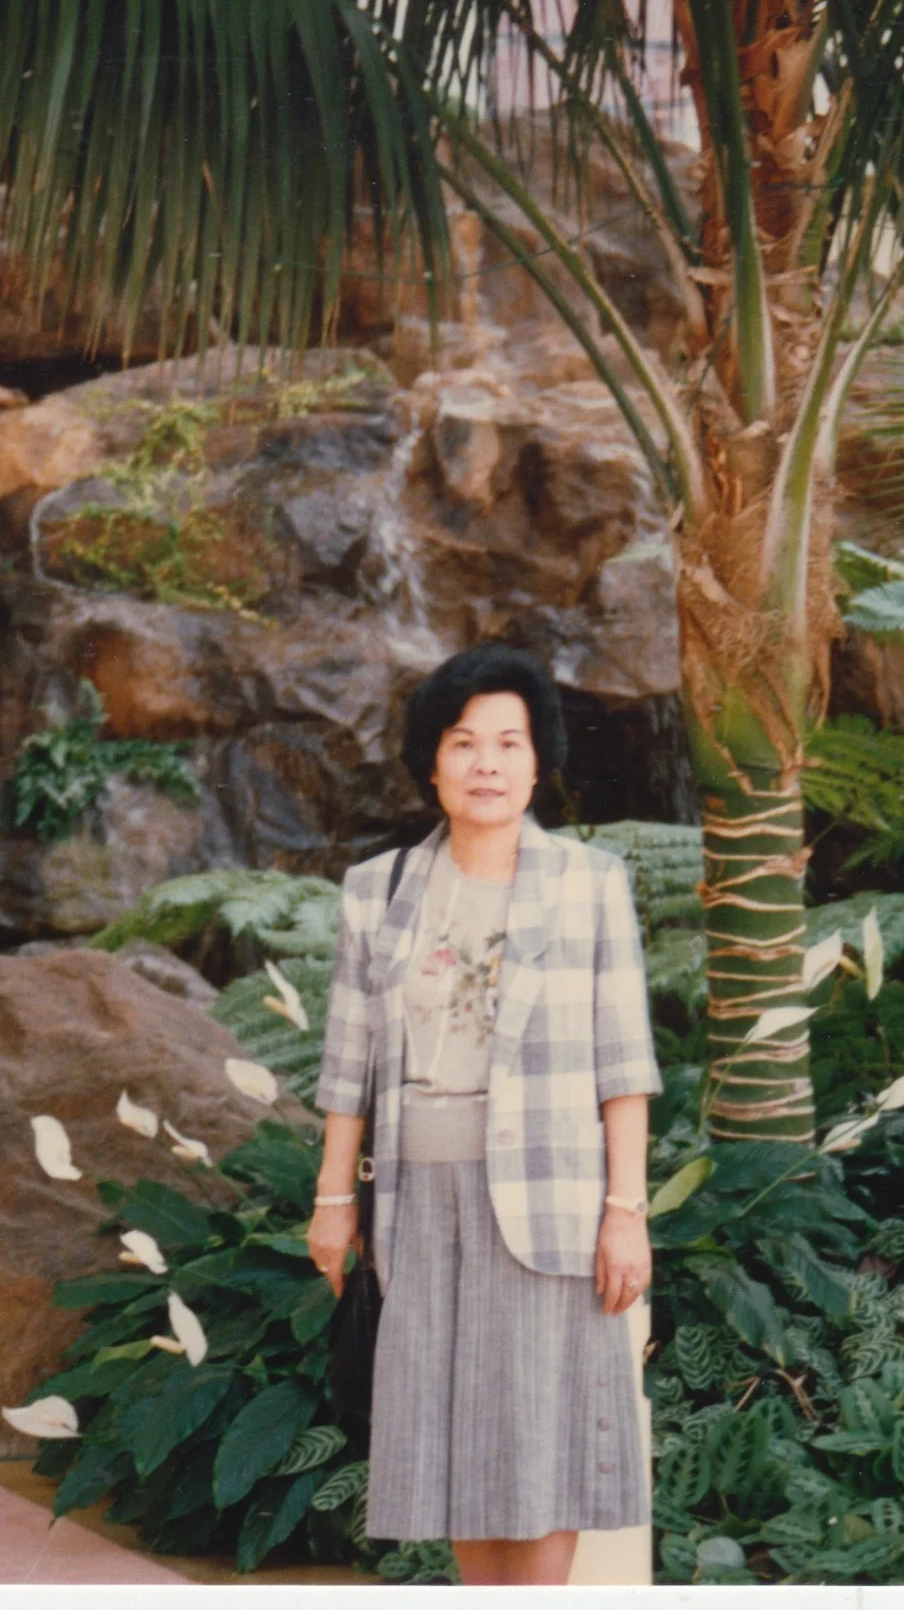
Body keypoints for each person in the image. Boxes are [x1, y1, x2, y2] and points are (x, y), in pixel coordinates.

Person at [308, 642, 660, 1586]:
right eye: (465, 744)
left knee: (543, 1441)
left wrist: (626, 1213)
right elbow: (349, 1060)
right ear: (432, 762)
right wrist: (333, 1198)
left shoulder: (591, 884)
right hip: (420, 1209)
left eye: (509, 743)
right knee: (456, 1439)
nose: (488, 765)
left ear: (539, 761)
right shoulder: (375, 892)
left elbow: (625, 1064)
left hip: (552, 1202)